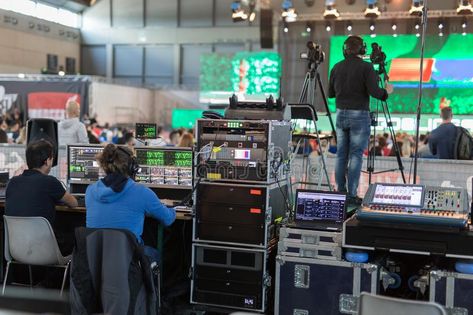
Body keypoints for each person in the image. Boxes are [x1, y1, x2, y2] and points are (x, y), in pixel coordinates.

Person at [328, 35, 393, 205]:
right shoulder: (366, 67)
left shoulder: (336, 67)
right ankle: (351, 195)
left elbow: (330, 94)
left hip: (341, 113)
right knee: (356, 155)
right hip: (359, 115)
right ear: (362, 50)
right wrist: (386, 92)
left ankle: (340, 192)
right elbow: (374, 92)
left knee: (341, 154)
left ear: (345, 50)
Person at [85, 144, 176, 262]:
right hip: (128, 263)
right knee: (154, 254)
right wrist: (171, 207)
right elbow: (168, 219)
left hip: (95, 261)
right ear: (133, 167)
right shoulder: (142, 192)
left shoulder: (90, 191)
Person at [5, 140, 78, 225]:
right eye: (51, 159)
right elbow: (74, 203)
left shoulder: (12, 182)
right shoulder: (50, 182)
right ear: (47, 161)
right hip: (41, 237)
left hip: (14, 237)